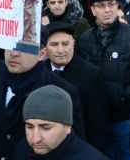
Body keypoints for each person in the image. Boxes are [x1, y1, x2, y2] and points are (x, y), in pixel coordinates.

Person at [0, 27, 85, 160]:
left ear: (42, 54)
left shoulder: (62, 90)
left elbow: (73, 144)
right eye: (10, 45)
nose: (14, 53)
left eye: (24, 48)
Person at [77, 0, 130, 160]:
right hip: (94, 118)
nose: (107, 10)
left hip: (123, 117)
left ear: (117, 8)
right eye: (101, 6)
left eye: (111, 5)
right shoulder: (85, 39)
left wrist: (124, 95)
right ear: (93, 10)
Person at [44, 22, 109, 154]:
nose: (60, 50)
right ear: (45, 48)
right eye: (54, 44)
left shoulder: (91, 75)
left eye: (65, 44)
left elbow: (98, 126)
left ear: (73, 44)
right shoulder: (39, 71)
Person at [12, 85, 107, 159]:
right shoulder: (23, 149)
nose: (35, 139)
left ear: (67, 126)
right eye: (30, 127)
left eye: (45, 128)